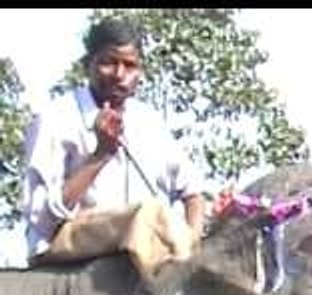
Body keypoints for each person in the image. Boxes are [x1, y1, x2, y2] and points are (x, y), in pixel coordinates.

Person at [18, 17, 205, 279]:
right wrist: (101, 155)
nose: (119, 74)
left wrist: (192, 243)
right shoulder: (56, 118)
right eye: (108, 62)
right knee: (147, 213)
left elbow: (193, 193)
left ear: (140, 72)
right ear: (87, 65)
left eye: (129, 66)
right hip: (66, 247)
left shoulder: (148, 122)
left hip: (137, 251)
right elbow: (43, 220)